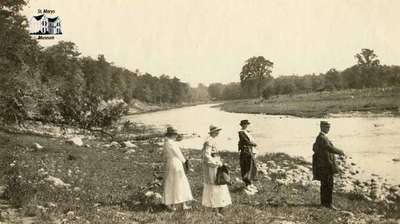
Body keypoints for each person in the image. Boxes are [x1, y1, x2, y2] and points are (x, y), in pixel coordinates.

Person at [312, 121, 345, 210]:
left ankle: (324, 203)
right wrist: (340, 152)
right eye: (327, 127)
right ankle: (328, 204)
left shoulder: (320, 137)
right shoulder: (322, 138)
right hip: (326, 166)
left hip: (324, 165)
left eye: (329, 127)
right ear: (322, 127)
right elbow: (328, 148)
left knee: (325, 185)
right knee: (328, 185)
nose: (328, 129)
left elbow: (315, 148)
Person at [202, 125, 232, 217]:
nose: (218, 132)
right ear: (213, 132)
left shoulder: (212, 140)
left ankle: (219, 207)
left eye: (218, 130)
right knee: (215, 185)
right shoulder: (209, 141)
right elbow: (206, 156)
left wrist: (218, 161)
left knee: (219, 184)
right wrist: (216, 163)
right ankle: (215, 209)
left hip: (215, 165)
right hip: (212, 167)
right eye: (217, 131)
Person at [163, 127, 193, 211]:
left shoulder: (166, 143)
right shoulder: (172, 143)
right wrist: (185, 161)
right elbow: (178, 154)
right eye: (175, 134)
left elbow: (164, 155)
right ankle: (178, 205)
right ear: (171, 135)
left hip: (170, 163)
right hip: (176, 163)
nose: (176, 136)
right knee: (179, 182)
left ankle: (174, 204)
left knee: (172, 182)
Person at [238, 120, 258, 194]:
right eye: (244, 124)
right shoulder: (241, 132)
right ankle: (247, 183)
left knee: (251, 166)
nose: (245, 125)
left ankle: (250, 183)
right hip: (246, 151)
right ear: (242, 125)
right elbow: (245, 141)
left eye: (246, 124)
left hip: (249, 150)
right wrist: (253, 144)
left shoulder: (247, 132)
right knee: (247, 166)